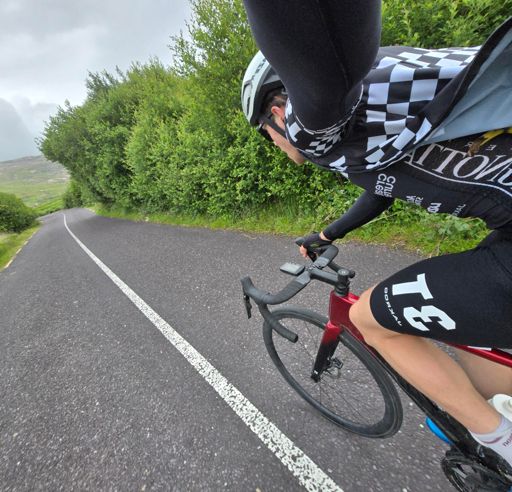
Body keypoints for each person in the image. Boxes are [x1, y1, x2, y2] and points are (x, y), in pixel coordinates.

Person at [241, 0, 512, 468]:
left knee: (369, 318)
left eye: (266, 134)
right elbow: (382, 188)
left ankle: (499, 444)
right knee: (465, 337)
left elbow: (324, 52)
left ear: (278, 112)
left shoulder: (315, 122)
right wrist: (327, 233)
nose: (277, 144)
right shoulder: (375, 107)